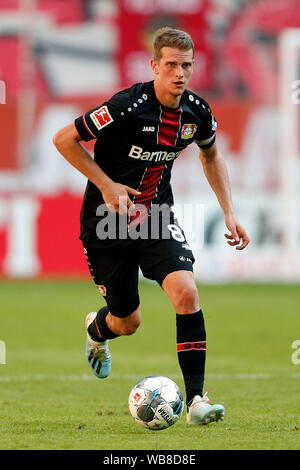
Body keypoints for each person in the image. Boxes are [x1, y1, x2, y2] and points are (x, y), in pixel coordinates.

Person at [53, 27, 249, 426]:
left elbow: (211, 156)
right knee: (127, 322)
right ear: (155, 65)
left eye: (187, 65)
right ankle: (96, 329)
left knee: (186, 292)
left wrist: (229, 210)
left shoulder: (196, 111)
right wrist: (107, 185)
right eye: (172, 65)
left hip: (156, 216)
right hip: (107, 221)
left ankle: (195, 402)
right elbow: (64, 139)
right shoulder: (127, 106)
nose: (180, 73)